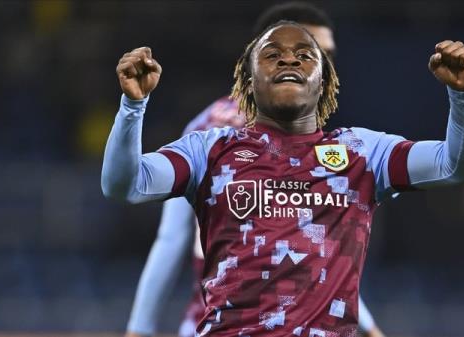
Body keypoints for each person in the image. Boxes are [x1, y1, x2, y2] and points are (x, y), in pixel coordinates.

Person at [104, 20, 464, 337]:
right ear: (248, 82)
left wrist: (462, 95)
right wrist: (132, 106)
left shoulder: (364, 153)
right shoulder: (209, 150)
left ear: (323, 83)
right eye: (272, 54)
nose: (289, 58)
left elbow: (458, 165)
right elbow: (125, 184)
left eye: (305, 56)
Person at [123, 3, 384, 337]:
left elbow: (307, 252)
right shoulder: (219, 136)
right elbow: (171, 237)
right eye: (313, 51)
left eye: (327, 54)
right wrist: (139, 328)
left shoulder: (304, 135)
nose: (324, 64)